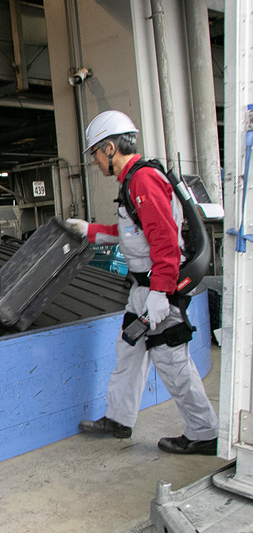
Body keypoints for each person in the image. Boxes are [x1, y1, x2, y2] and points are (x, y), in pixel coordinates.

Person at [69, 110, 219, 455]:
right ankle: (119, 419)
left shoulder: (143, 180)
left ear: (109, 148)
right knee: (129, 351)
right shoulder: (132, 183)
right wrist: (88, 230)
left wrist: (161, 293)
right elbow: (133, 234)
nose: (94, 162)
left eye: (94, 154)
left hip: (157, 290)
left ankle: (204, 433)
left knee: (172, 362)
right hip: (142, 290)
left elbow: (165, 241)